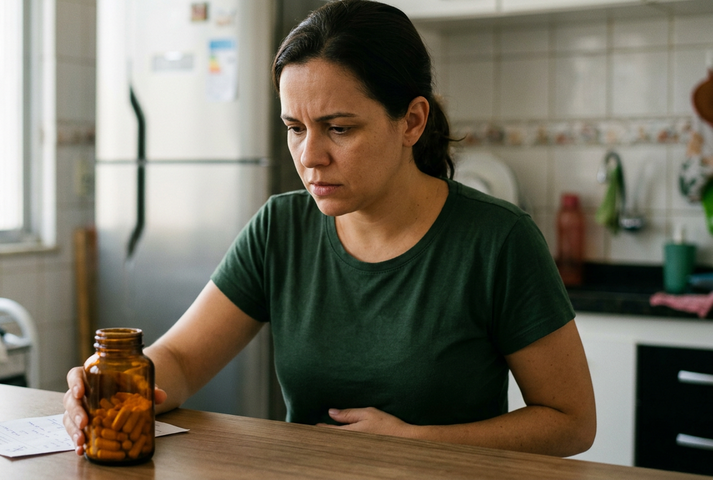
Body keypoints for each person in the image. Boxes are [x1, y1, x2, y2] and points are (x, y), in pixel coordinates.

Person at [64, 0, 596, 457]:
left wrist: (418, 442)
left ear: (412, 121)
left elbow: (571, 420)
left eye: (339, 129)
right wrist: (116, 383)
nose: (309, 156)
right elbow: (179, 359)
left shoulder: (498, 240)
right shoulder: (280, 227)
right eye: (295, 128)